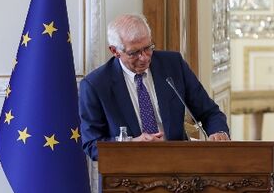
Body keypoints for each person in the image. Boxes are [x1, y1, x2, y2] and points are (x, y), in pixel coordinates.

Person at [79, 14, 230, 161]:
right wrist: (132, 143)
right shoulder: (95, 85)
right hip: (128, 173)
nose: (144, 57)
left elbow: (209, 112)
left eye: (148, 48)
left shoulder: (173, 65)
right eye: (135, 52)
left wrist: (218, 132)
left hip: (178, 165)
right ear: (115, 51)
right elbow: (92, 145)